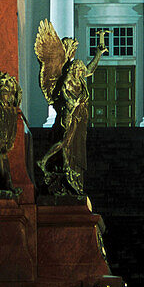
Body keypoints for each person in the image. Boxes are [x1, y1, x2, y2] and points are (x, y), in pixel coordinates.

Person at [34, 20, 108, 196]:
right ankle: (44, 161)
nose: (82, 71)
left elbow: (90, 69)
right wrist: (73, 103)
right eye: (79, 68)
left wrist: (99, 52)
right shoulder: (68, 79)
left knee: (71, 144)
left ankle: (64, 169)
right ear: (75, 68)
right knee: (66, 141)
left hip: (79, 117)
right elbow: (64, 94)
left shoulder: (79, 77)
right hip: (69, 114)